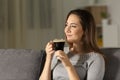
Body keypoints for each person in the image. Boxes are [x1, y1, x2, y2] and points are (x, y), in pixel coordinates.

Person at [39, 9, 105, 80]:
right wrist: (49, 57)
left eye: (73, 26)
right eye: (66, 25)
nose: (67, 30)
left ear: (85, 31)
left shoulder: (96, 58)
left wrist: (68, 65)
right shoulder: (60, 52)